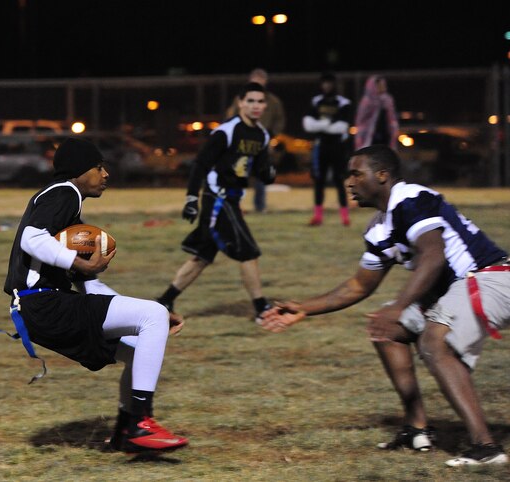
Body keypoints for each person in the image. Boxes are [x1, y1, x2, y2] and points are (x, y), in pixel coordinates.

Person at [260, 145, 509, 467]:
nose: (348, 182)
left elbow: (434, 255)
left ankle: (486, 448)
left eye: (355, 173)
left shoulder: (410, 198)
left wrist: (401, 304)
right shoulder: (379, 227)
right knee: (386, 329)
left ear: (382, 176)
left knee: (435, 341)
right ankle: (417, 429)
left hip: (490, 278)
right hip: (457, 289)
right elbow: (360, 284)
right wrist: (304, 308)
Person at [3, 137, 188, 453]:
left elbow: (90, 286)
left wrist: (144, 309)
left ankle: (123, 433)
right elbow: (31, 239)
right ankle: (141, 423)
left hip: (41, 307)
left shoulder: (68, 214)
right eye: (99, 167)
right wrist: (78, 261)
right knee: (152, 316)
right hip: (43, 304)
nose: (106, 174)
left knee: (135, 347)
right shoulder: (64, 193)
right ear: (78, 170)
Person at [157, 82, 276, 321]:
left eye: (260, 101)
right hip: (218, 198)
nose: (256, 106)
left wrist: (269, 173)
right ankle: (262, 308)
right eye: (250, 100)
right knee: (248, 251)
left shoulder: (261, 134)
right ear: (240, 103)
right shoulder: (227, 131)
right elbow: (200, 164)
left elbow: (261, 170)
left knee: (202, 257)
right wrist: (192, 198)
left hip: (232, 199)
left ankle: (164, 301)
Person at [225, 68, 284, 213]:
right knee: (238, 173)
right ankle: (234, 205)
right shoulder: (241, 100)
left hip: (262, 142)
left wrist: (270, 135)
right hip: (243, 141)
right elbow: (230, 116)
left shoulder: (273, 101)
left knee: (261, 175)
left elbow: (280, 120)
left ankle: (260, 206)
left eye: (260, 81)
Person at [302, 72, 353, 227]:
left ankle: (345, 217)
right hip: (320, 146)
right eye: (324, 83)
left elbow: (342, 127)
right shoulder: (316, 101)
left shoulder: (343, 102)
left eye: (330, 83)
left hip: (337, 147)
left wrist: (321, 125)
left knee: (339, 180)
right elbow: (307, 124)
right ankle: (318, 216)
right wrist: (327, 124)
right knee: (319, 181)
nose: (327, 86)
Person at [354, 76, 398, 150]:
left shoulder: (388, 100)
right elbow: (360, 119)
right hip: (369, 135)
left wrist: (393, 130)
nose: (381, 87)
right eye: (379, 85)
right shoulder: (367, 101)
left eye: (383, 85)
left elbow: (392, 117)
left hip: (385, 133)